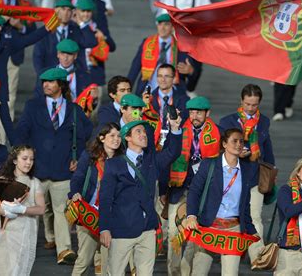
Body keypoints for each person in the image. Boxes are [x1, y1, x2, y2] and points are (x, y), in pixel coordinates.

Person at [15, 68, 93, 264]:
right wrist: (23, 160)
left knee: (61, 210)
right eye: (44, 82)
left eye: (50, 82)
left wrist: (79, 157)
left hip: (63, 170)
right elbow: (22, 131)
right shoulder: (33, 106)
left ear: (61, 85)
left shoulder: (74, 110)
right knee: (40, 210)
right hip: (37, 170)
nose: (45, 85)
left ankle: (64, 249)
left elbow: (86, 133)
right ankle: (45, 239)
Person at [99, 117, 182, 276]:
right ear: (127, 137)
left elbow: (173, 152)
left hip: (147, 229)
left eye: (144, 131)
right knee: (114, 273)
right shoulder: (113, 164)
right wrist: (104, 228)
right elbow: (105, 198)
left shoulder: (153, 160)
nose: (143, 134)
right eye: (138, 131)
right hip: (121, 229)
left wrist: (175, 128)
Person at [185, 128, 258, 275]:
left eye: (241, 141)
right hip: (208, 227)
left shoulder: (247, 169)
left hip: (233, 229)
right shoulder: (209, 164)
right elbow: (194, 191)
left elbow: (245, 204)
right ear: (224, 144)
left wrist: (251, 230)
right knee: (199, 272)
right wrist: (191, 215)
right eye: (234, 141)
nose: (239, 144)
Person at [162, 96, 221, 275]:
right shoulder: (179, 129)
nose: (194, 116)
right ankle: (174, 271)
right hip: (179, 187)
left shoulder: (218, 133)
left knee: (195, 236)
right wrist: (163, 189)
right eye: (192, 112)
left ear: (207, 113)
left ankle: (187, 272)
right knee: (174, 233)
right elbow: (167, 157)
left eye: (199, 112)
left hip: (203, 192)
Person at [219, 83, 275, 262]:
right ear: (241, 101)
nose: (250, 108)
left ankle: (257, 257)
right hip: (232, 177)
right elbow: (220, 149)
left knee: (255, 216)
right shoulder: (227, 122)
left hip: (255, 175)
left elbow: (267, 148)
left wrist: (271, 171)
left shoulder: (264, 121)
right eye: (247, 104)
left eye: (254, 105)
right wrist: (236, 153)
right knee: (232, 215)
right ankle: (229, 248)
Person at [69, 122, 123, 276]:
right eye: (112, 135)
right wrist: (75, 193)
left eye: (119, 136)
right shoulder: (89, 156)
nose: (116, 139)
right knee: (84, 260)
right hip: (89, 214)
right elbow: (78, 177)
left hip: (111, 217)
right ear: (102, 138)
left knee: (107, 263)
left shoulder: (122, 160)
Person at [0, 15, 50, 145]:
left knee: (6, 120)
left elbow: (27, 40)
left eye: (0, 26)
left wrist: (47, 28)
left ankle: (14, 147)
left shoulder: (6, 42)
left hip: (0, 89)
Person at [0, 145, 45, 276]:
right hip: (3, 231)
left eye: (31, 159)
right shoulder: (1, 179)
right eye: (24, 158)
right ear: (14, 160)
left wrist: (22, 209)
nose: (28, 162)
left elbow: (41, 209)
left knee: (19, 270)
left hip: (24, 233)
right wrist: (4, 211)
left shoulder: (34, 182)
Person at [127, 13, 200, 96]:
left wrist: (191, 71)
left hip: (173, 91)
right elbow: (135, 67)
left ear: (173, 27)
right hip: (148, 89)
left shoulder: (181, 46)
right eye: (160, 24)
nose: (162, 28)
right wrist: (127, 88)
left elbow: (192, 72)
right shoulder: (147, 43)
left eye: (166, 24)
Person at [33, 0, 98, 91]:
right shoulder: (46, 31)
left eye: (69, 10)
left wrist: (81, 23)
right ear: (56, 11)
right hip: (51, 78)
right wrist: (43, 76)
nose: (66, 13)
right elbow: (37, 57)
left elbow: (92, 42)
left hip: (73, 77)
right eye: (63, 9)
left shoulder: (76, 30)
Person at [0, 0, 35, 121]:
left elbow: (32, 29)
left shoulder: (23, 4)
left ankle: (3, 136)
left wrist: (21, 26)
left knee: (10, 95)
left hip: (13, 55)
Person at [73, 0, 116, 103]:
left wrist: (104, 37)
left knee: (94, 109)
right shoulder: (72, 28)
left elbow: (113, 47)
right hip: (79, 73)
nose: (86, 14)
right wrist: (82, 25)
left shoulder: (97, 27)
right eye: (83, 11)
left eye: (88, 11)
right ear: (77, 11)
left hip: (96, 74)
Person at [272, 0, 297, 122]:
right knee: (279, 76)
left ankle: (288, 103)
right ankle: (278, 109)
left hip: (296, 41)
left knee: (294, 76)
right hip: (278, 42)